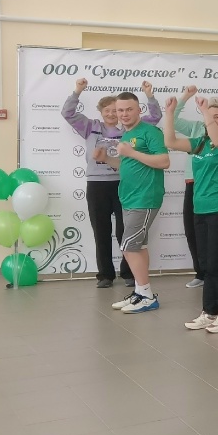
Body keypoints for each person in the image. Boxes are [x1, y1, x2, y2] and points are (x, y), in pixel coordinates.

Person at [62, 78, 162, 288]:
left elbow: (155, 117)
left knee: (125, 230)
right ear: (100, 112)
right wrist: (77, 91)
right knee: (101, 230)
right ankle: (105, 275)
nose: (111, 114)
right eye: (106, 110)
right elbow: (68, 113)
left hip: (122, 183)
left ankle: (128, 273)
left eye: (114, 110)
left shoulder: (128, 130)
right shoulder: (90, 127)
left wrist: (149, 96)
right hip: (96, 184)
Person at [163, 95, 218, 333]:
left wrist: (206, 111)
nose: (212, 119)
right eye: (210, 116)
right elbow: (170, 141)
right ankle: (209, 312)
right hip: (200, 209)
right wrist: (170, 113)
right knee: (207, 265)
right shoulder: (199, 143)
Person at [172, 85, 218, 290]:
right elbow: (173, 124)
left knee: (217, 250)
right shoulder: (197, 129)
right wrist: (184, 97)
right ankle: (202, 272)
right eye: (209, 110)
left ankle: (214, 274)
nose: (212, 116)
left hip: (217, 193)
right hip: (195, 185)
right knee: (193, 232)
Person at [105, 89, 171, 314]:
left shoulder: (150, 132)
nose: (123, 114)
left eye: (128, 109)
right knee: (138, 246)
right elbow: (128, 165)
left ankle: (147, 296)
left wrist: (131, 153)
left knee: (128, 246)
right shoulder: (126, 135)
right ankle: (141, 292)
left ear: (139, 110)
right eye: (120, 110)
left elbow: (164, 161)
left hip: (145, 197)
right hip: (129, 198)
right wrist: (107, 159)